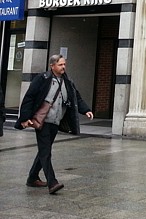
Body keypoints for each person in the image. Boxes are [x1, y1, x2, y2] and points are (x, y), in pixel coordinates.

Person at [14, 54, 93, 194]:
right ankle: (52, 183)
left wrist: (86, 110)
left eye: (64, 64)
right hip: (42, 121)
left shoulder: (67, 81)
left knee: (44, 150)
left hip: (56, 122)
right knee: (46, 152)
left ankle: (32, 178)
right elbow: (29, 98)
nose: (63, 67)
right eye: (60, 64)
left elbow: (76, 98)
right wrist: (25, 118)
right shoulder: (42, 79)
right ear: (52, 66)